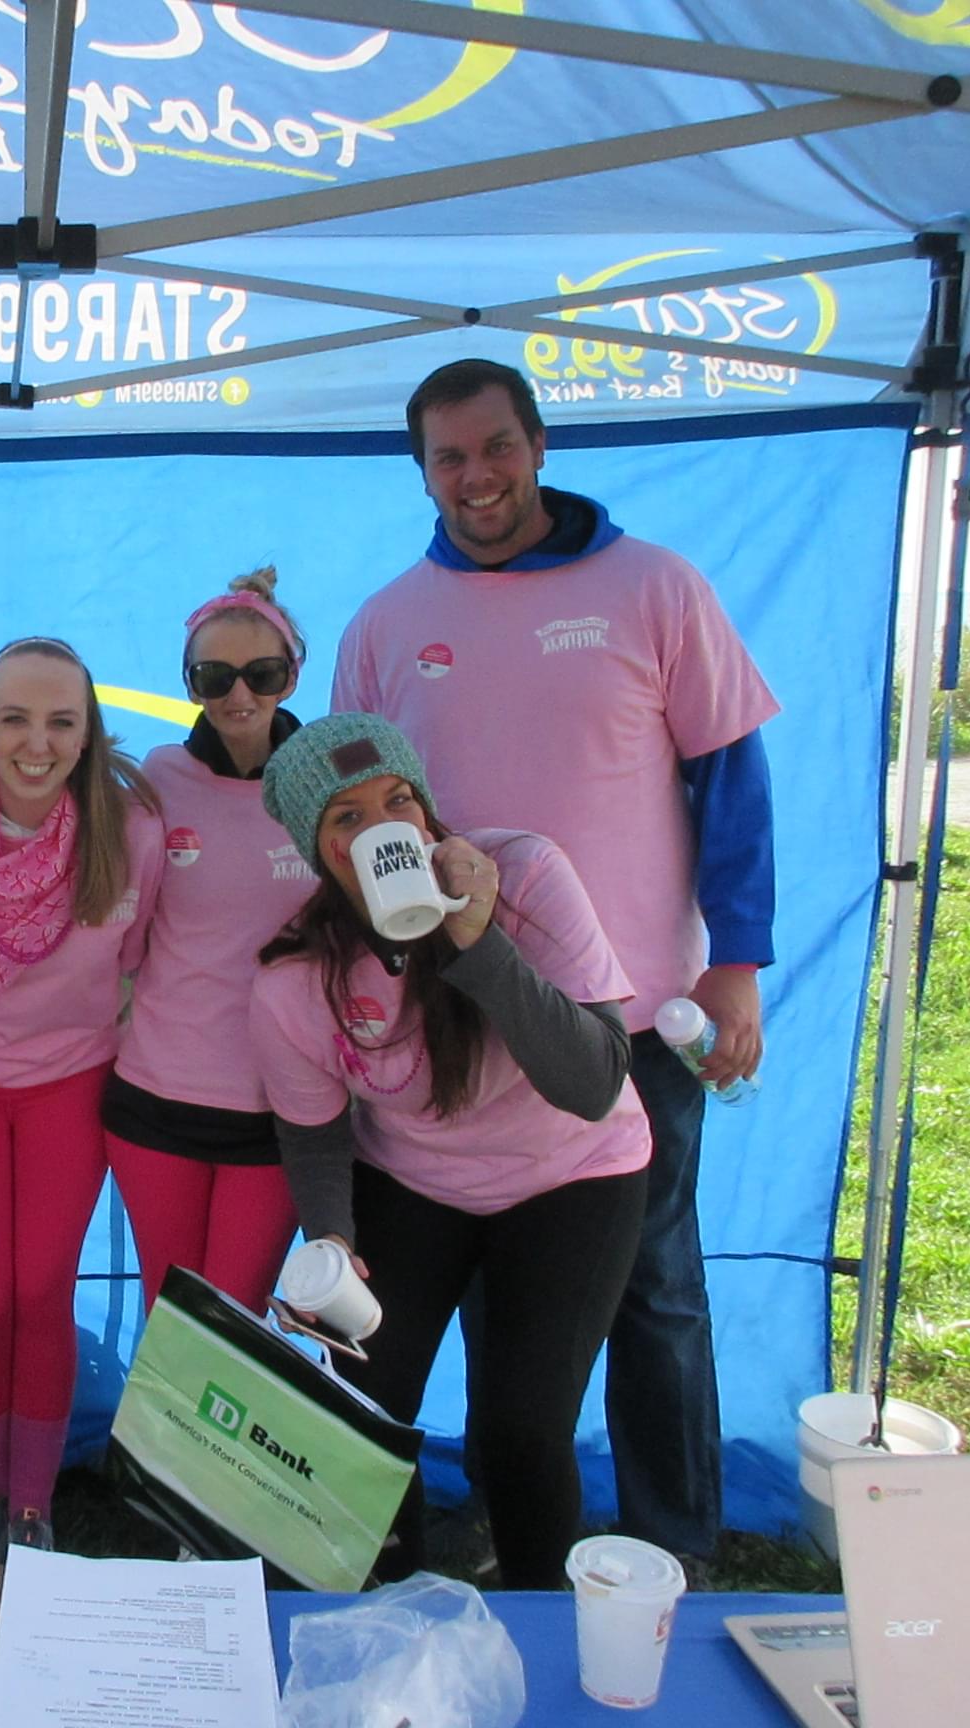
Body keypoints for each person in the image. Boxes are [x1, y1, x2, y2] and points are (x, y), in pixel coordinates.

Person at [332, 357, 778, 1566]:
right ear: (421, 473)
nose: (476, 476)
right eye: (449, 457)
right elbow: (353, 817)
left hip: (634, 1016)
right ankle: (510, 1514)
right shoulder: (384, 623)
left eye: (496, 447)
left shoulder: (655, 587)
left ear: (538, 446)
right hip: (467, 1011)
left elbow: (732, 780)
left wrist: (737, 960)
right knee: (502, 1293)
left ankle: (674, 1543)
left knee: (655, 1288)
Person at [252, 711, 649, 1589]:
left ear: (427, 810)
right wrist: (332, 1242)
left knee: (522, 1428)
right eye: (347, 817)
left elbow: (592, 1083)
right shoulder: (299, 973)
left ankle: (541, 1613)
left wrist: (476, 939)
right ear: (320, 852)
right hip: (414, 1179)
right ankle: (398, 1606)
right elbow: (314, 1133)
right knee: (363, 1407)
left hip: (572, 1171)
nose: (383, 827)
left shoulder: (526, 876)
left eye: (399, 801)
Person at [0, 636, 164, 1578]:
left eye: (60, 721)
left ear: (88, 733)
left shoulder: (129, 834)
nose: (36, 743)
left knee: (40, 1294)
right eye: (14, 718)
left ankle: (34, 1508)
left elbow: (140, 964)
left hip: (70, 1083)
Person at [103, 569, 313, 1318]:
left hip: (280, 1109)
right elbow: (118, 924)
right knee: (169, 1320)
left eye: (263, 674)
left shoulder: (331, 786)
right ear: (189, 684)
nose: (239, 695)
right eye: (214, 677)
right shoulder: (160, 777)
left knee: (232, 1329)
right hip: (157, 1100)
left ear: (293, 675)